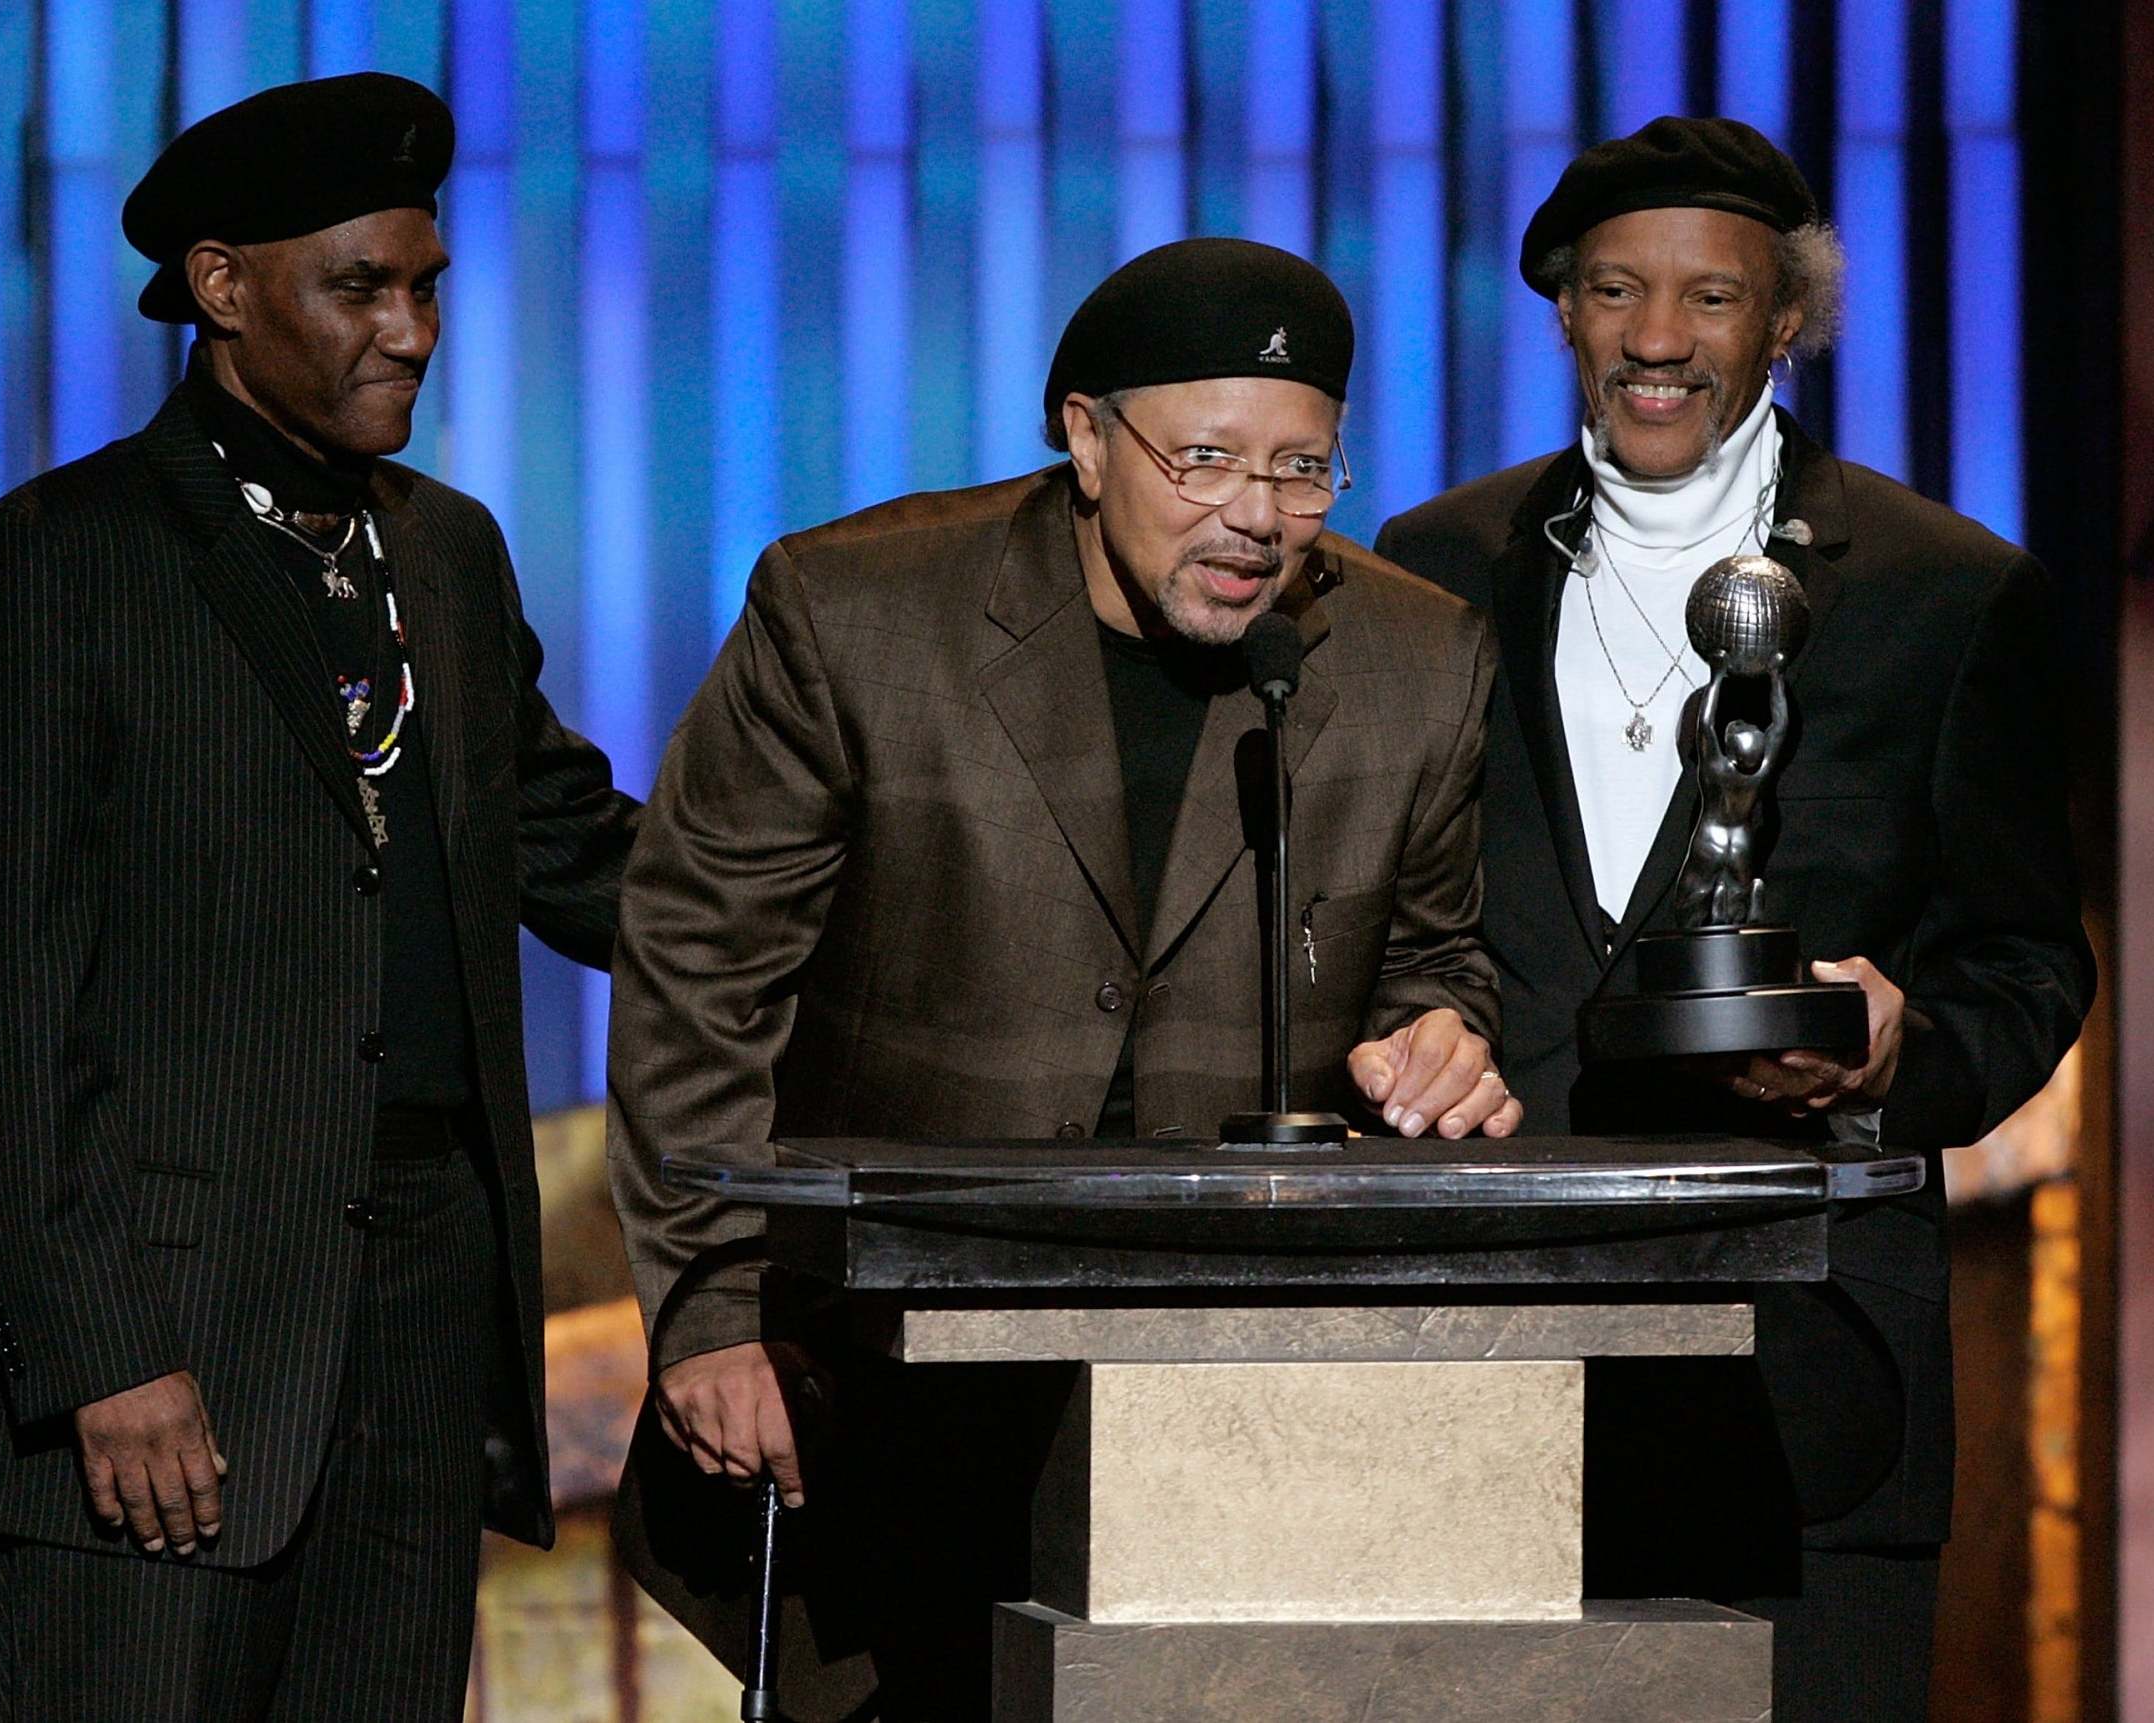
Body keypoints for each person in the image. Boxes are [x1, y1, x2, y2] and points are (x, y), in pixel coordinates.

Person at [608, 237, 1514, 1719]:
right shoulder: (852, 612)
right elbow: (698, 976)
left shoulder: (1417, 658)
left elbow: (1431, 952)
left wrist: (1439, 1034)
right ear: (1084, 438)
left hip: (1234, 1395)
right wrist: (710, 1305)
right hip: (881, 1363)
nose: (1255, 520)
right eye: (1206, 460)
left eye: (1301, 473)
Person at [0, 73, 637, 1723]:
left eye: (429, 284)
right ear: (227, 289)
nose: (412, 331)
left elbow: (574, 849)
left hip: (414, 1340)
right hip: (173, 1344)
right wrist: (104, 1355)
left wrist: (874, 914)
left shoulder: (444, 552)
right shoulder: (61, 558)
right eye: (361, 287)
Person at [1374, 115, 2094, 1721]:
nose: (1654, 339)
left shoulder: (1939, 591)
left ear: (1784, 322)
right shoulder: (1426, 573)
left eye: (1709, 301)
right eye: (1614, 291)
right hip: (1481, 1320)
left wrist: (1896, 1058)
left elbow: (2024, 962)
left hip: (1803, 1346)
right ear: (1561, 310)